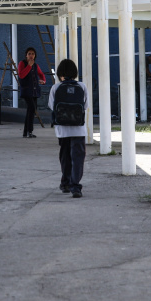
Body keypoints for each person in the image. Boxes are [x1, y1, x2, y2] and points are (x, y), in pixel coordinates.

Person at [48, 59, 88, 198]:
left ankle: (65, 182)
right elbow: (85, 106)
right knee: (77, 157)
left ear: (60, 74)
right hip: (78, 128)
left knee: (65, 155)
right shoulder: (82, 86)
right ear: (75, 73)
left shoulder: (55, 88)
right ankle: (75, 186)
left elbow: (51, 106)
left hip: (62, 129)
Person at [17, 47, 46, 138]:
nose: (31, 56)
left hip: (34, 91)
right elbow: (21, 75)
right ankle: (30, 131)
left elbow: (41, 74)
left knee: (31, 111)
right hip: (26, 90)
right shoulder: (22, 63)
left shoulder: (36, 65)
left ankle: (26, 132)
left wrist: (43, 80)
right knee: (32, 109)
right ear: (26, 55)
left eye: (33, 54)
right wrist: (29, 66)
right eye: (29, 54)